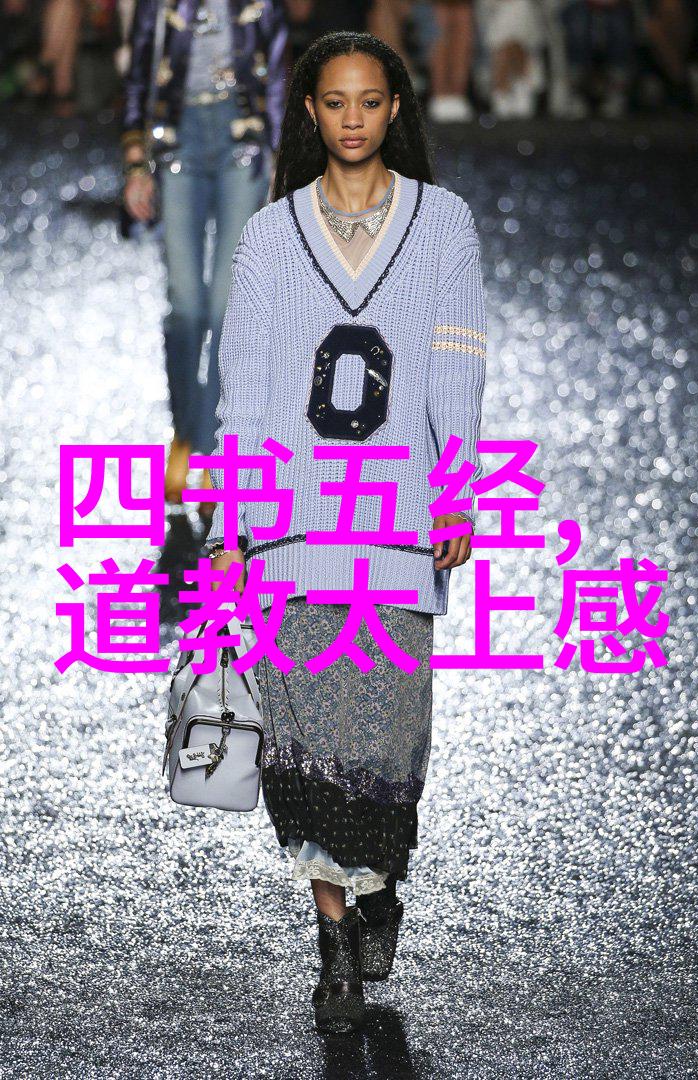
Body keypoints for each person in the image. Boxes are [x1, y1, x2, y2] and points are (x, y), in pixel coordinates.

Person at [204, 29, 487, 1034]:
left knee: (386, 745)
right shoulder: (270, 236)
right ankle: (333, 951)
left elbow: (455, 364)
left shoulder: (443, 225)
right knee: (303, 753)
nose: (354, 118)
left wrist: (457, 489)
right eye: (336, 102)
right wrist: (231, 522)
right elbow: (246, 387)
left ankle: (378, 892)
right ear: (311, 112)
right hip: (293, 529)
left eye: (371, 101)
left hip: (399, 523)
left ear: (396, 108)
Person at [120, 0, 288, 517]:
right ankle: (185, 430)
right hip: (177, 143)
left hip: (243, 141)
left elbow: (278, 72)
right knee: (186, 307)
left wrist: (280, 158)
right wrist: (135, 163)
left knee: (226, 309)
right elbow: (140, 72)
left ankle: (214, 450)